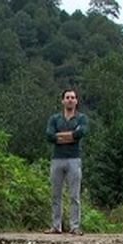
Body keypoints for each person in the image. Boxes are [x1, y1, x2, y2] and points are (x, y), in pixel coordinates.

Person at [45, 88, 89, 235]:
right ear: (63, 100)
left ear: (76, 101)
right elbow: (49, 136)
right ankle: (56, 226)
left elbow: (80, 133)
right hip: (57, 159)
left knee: (74, 195)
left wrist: (60, 136)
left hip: (74, 159)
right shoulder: (54, 118)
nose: (70, 100)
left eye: (72, 97)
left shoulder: (81, 118)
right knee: (55, 194)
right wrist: (70, 136)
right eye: (67, 97)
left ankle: (74, 226)